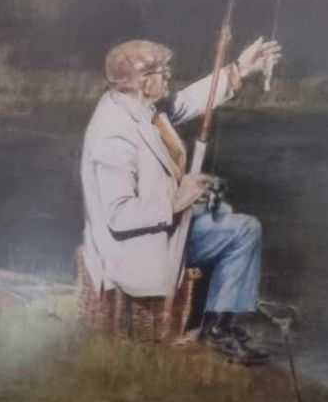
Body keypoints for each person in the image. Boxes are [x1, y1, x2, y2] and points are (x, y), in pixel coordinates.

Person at [79, 35, 282, 365]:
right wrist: (177, 200)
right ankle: (219, 331)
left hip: (153, 234)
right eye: (164, 71)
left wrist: (241, 68)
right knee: (244, 230)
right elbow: (118, 216)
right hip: (136, 252)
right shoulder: (113, 135)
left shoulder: (136, 106)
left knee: (224, 213)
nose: (170, 77)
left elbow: (187, 101)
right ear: (145, 83)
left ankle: (211, 317)